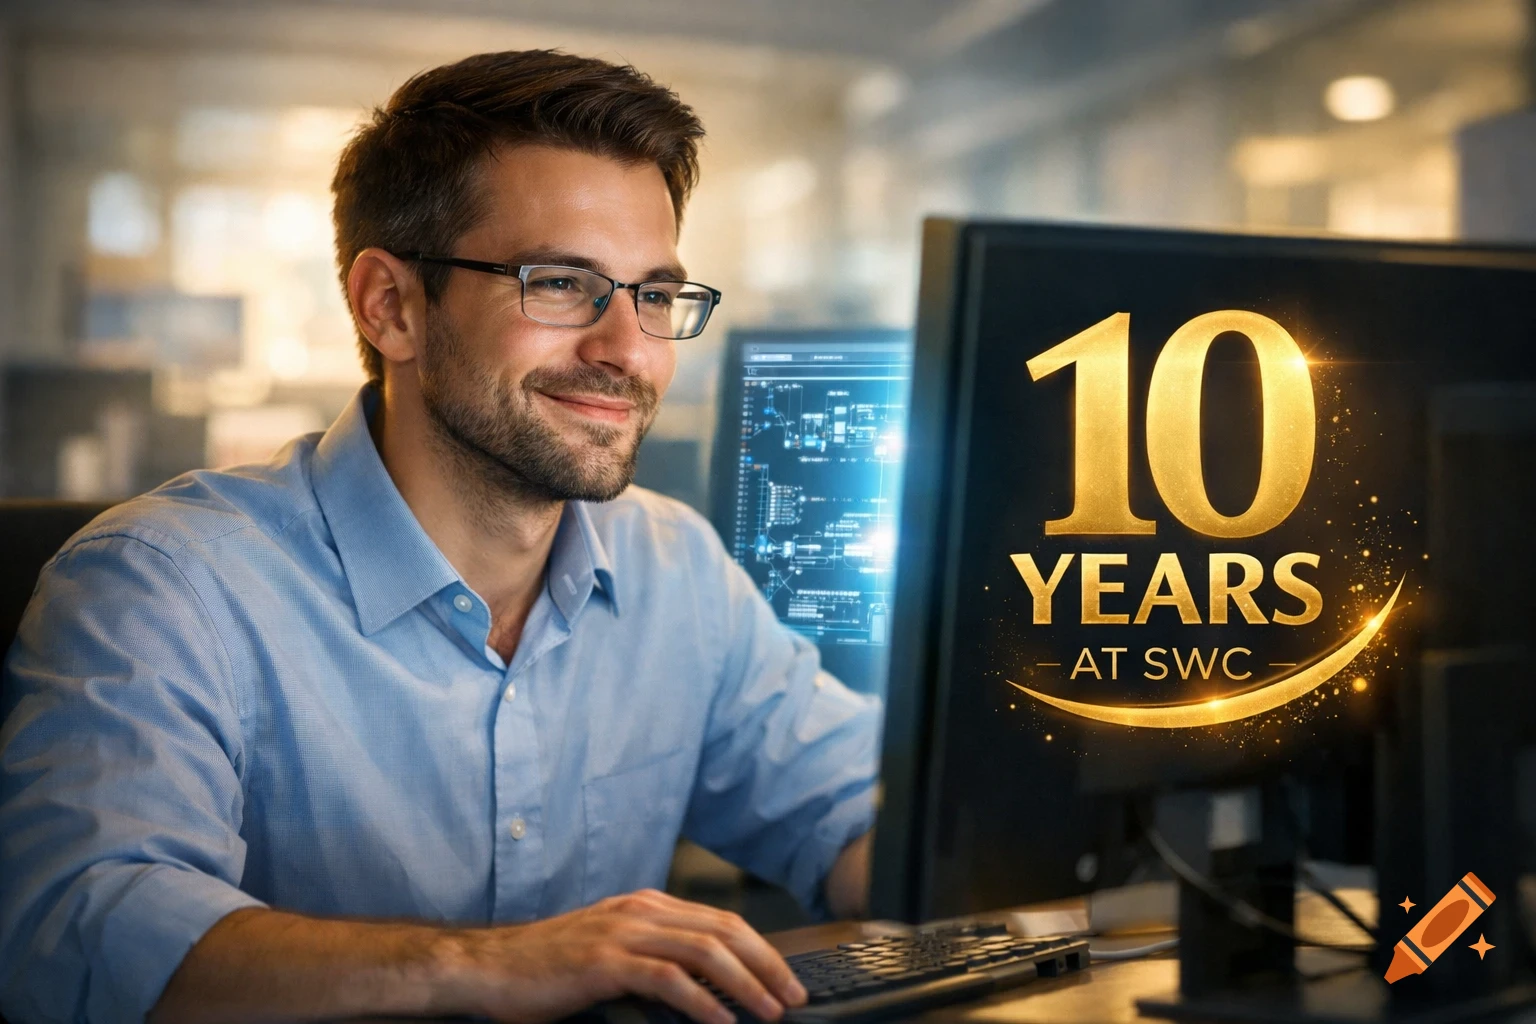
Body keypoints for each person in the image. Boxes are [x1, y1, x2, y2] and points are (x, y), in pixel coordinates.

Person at [0, 50, 880, 1024]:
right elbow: (83, 937)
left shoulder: (676, 569)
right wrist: (491, 966)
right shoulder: (165, 589)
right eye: (559, 284)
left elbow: (854, 820)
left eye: (656, 296)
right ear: (391, 306)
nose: (628, 351)